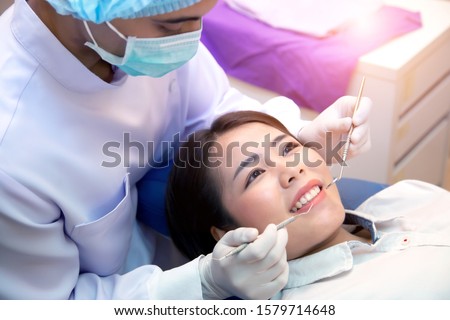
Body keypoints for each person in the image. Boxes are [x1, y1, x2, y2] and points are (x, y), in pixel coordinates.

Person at [0, 0, 371, 299]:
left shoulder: (144, 28)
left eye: (200, 16)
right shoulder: (13, 151)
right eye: (173, 26)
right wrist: (204, 284)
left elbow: (217, 115)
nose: (190, 38)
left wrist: (300, 135)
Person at [166, 110, 450, 299]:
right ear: (225, 233)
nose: (292, 169)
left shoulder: (407, 195)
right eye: (255, 174)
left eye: (288, 148)